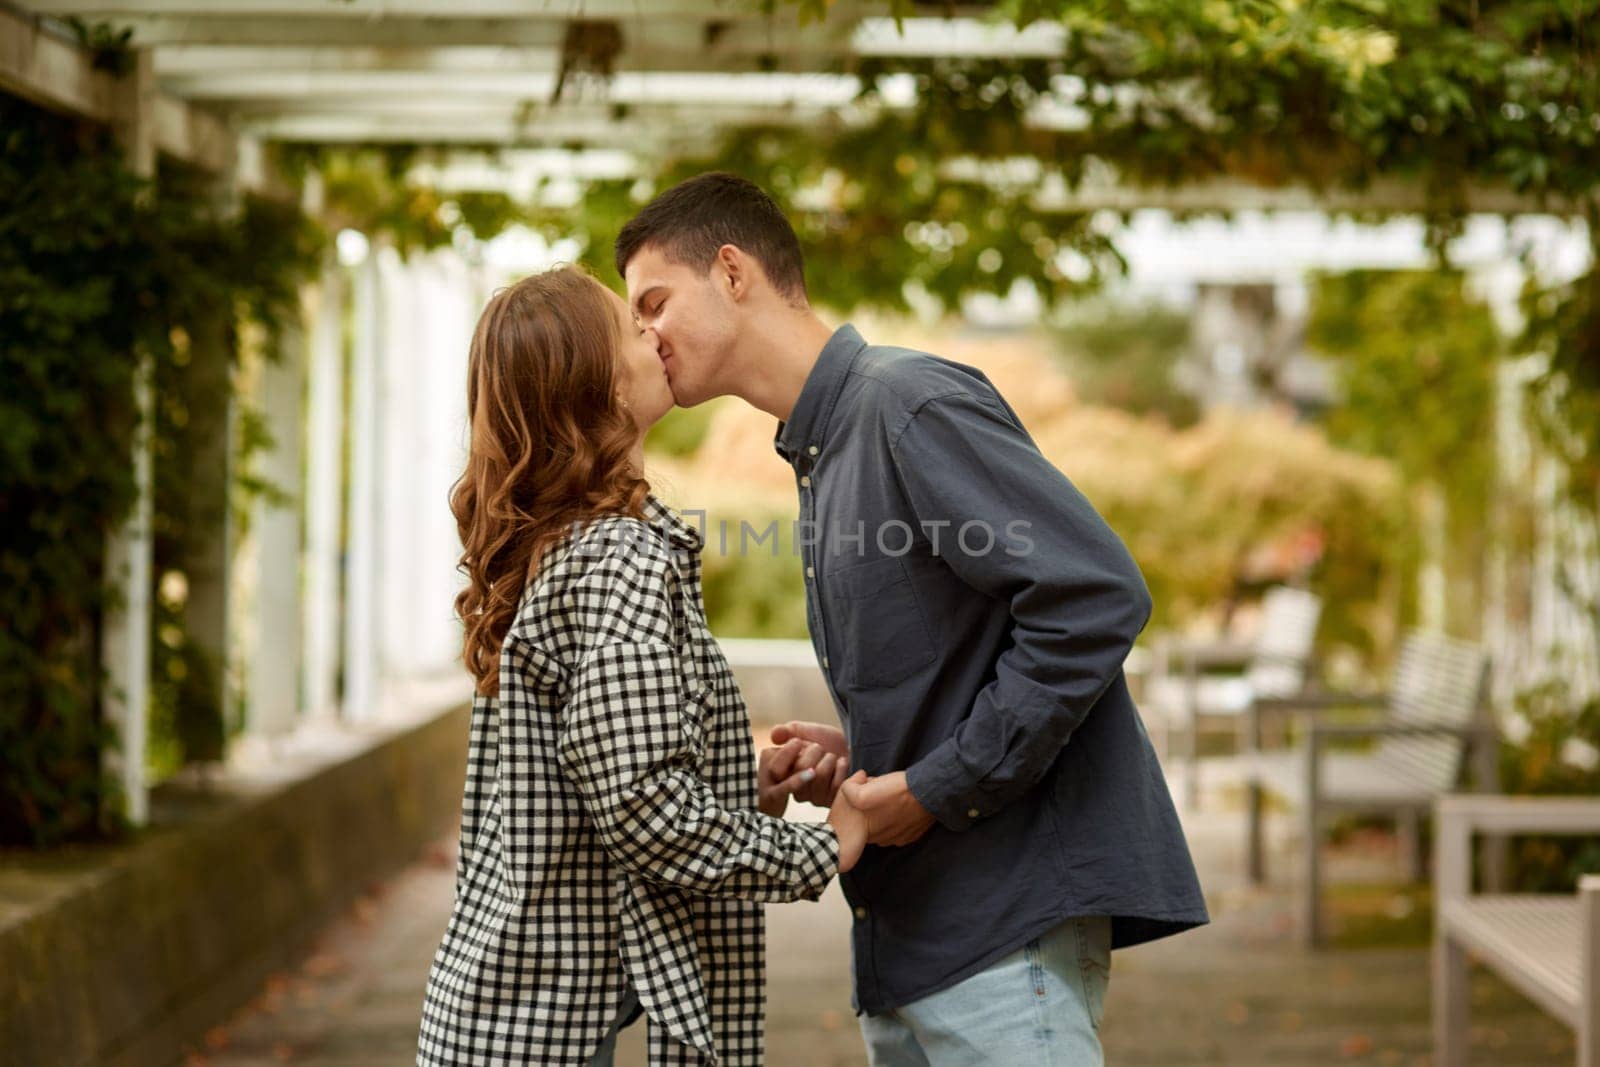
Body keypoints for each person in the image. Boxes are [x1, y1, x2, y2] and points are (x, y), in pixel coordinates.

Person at [616, 173, 1210, 1066]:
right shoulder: (824, 447)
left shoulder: (906, 404)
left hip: (1002, 939)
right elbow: (969, 650)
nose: (643, 335)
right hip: (909, 951)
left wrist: (937, 784)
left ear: (732, 272)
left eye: (653, 303)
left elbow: (1093, 596)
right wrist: (876, 753)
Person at [416, 265, 869, 1067]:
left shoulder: (570, 545)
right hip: (540, 1035)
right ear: (594, 385)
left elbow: (591, 790)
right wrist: (825, 844)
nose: (654, 332)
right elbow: (639, 805)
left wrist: (737, 787)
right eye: (632, 327)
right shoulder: (619, 556)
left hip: (507, 1024)